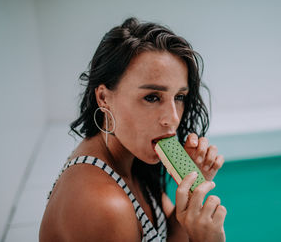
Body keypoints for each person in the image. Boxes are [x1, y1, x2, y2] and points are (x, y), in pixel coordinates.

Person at [39, 17, 226, 242]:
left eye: (179, 97)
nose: (172, 118)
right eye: (152, 97)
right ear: (104, 98)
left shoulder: (132, 157)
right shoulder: (104, 206)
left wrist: (190, 195)